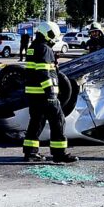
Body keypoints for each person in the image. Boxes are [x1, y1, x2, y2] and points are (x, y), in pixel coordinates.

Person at [22, 21, 78, 163]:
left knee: (36, 122)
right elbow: (43, 73)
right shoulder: (44, 48)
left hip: (33, 94)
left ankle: (30, 152)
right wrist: (50, 93)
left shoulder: (33, 47)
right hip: (45, 95)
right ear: (49, 34)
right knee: (58, 121)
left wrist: (54, 64)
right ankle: (59, 153)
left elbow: (39, 69)